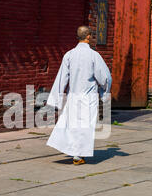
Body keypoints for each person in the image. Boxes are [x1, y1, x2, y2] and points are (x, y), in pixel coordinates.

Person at [46, 26, 112, 165]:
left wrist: (57, 98)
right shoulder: (94, 55)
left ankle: (74, 152)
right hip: (89, 97)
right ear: (88, 36)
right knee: (85, 126)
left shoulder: (69, 55)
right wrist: (104, 92)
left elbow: (61, 78)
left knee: (71, 124)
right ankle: (78, 155)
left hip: (73, 96)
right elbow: (105, 77)